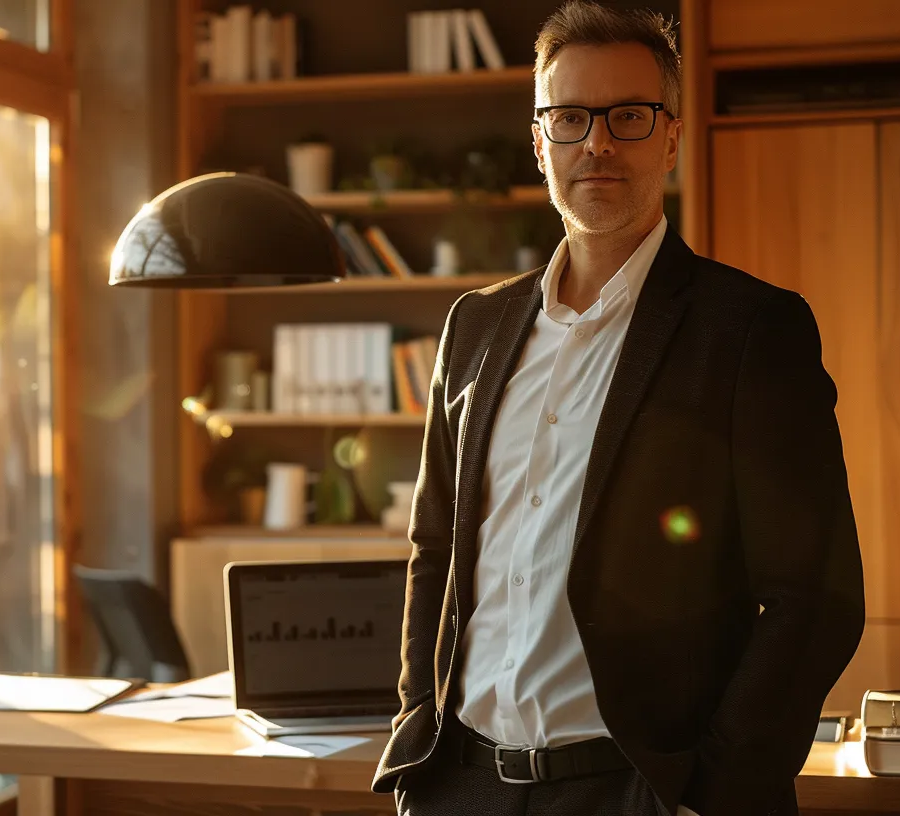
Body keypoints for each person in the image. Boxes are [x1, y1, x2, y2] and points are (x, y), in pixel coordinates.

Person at [371, 2, 866, 815]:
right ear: (540, 142)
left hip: (642, 792)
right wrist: (417, 727)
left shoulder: (748, 330)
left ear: (670, 137)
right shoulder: (475, 327)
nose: (597, 143)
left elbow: (817, 595)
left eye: (628, 116)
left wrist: (718, 785)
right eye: (570, 118)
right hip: (461, 786)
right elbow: (436, 551)